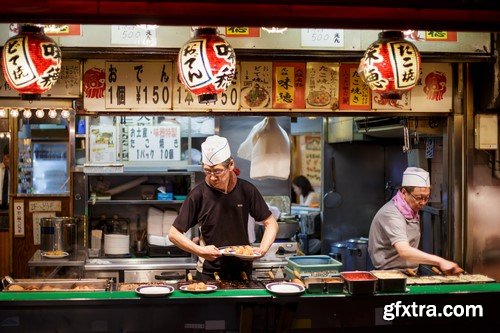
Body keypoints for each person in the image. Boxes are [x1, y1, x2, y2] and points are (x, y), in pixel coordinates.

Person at [169, 135, 279, 281]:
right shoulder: (198, 195)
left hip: (243, 270)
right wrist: (200, 251)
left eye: (218, 171)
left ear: (231, 165)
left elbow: (271, 223)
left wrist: (263, 249)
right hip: (209, 272)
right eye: (207, 171)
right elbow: (173, 234)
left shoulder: (247, 190)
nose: (212, 177)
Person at [368, 167, 463, 275]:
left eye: (426, 198)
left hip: (407, 274)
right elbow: (404, 251)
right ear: (404, 192)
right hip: (388, 276)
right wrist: (440, 261)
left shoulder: (410, 210)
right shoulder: (391, 214)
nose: (423, 203)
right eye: (418, 197)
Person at [0, 146, 9, 210]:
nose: (9, 160)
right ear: (3, 155)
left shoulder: (14, 173)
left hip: (10, 203)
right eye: (8, 156)